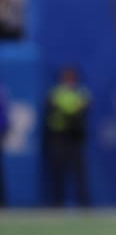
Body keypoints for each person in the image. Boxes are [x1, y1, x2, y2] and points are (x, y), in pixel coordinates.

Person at [44, 66, 91, 207]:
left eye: (71, 77)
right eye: (66, 77)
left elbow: (82, 107)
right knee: (58, 172)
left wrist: (70, 110)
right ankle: (57, 204)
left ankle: (84, 204)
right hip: (59, 137)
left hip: (75, 137)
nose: (69, 80)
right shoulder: (56, 93)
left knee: (79, 173)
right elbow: (60, 109)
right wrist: (71, 109)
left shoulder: (81, 92)